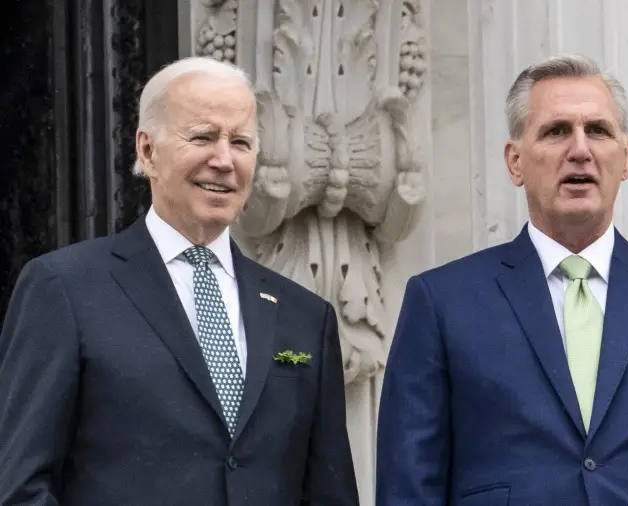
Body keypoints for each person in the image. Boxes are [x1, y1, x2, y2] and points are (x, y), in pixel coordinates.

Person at [376, 54, 628, 505]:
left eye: (597, 130)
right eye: (557, 131)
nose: (580, 149)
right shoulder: (441, 303)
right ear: (515, 162)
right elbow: (408, 489)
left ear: (626, 158)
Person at [0, 56, 359, 506]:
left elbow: (329, 493)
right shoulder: (64, 289)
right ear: (147, 151)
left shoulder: (305, 316)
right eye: (204, 137)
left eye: (242, 142)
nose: (225, 160)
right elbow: (21, 487)